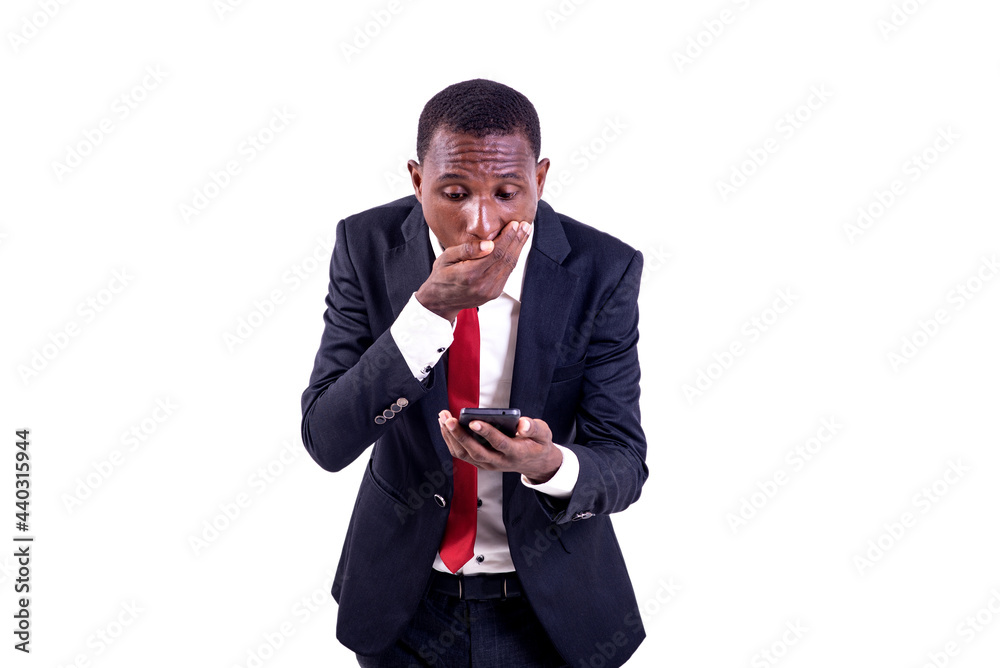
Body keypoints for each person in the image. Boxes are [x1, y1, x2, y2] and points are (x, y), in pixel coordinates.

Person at [300, 78, 648, 668]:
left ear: (539, 180)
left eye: (507, 193)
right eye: (455, 192)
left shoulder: (603, 269)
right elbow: (327, 440)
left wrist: (548, 464)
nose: (482, 224)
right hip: (402, 606)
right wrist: (428, 313)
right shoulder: (365, 246)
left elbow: (624, 461)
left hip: (551, 613)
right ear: (417, 181)